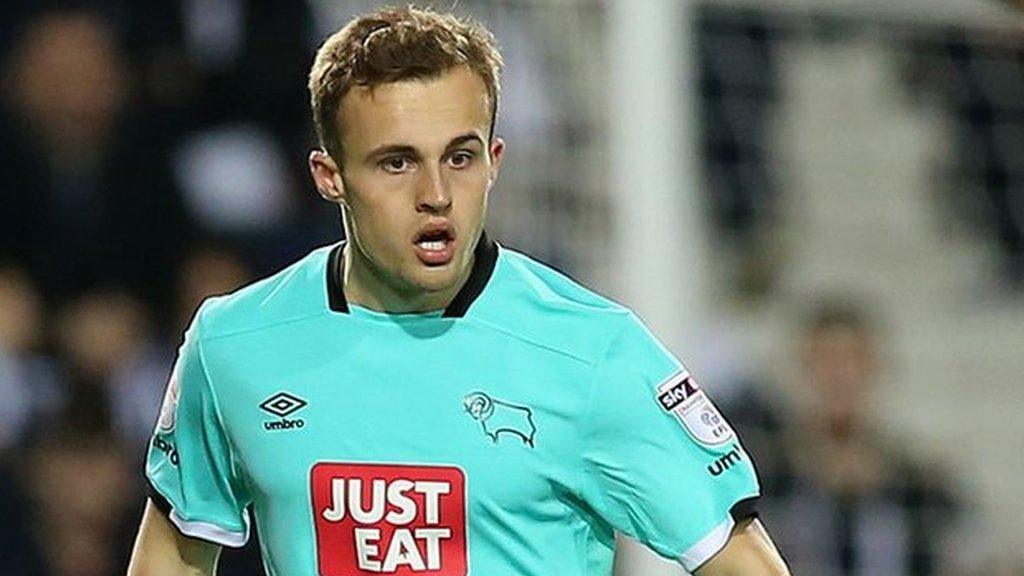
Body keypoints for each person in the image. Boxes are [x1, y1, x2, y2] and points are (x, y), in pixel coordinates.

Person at [126, 6, 790, 576]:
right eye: (397, 162)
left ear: (494, 161)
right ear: (329, 176)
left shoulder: (594, 354)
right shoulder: (234, 343)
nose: (437, 195)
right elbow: (175, 550)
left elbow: (739, 557)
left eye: (460, 157)